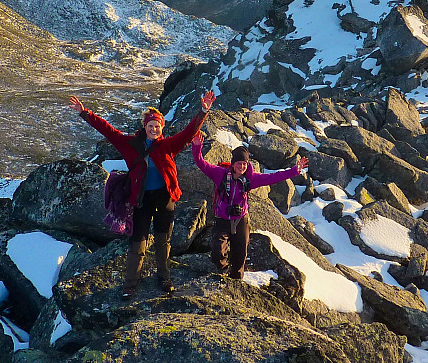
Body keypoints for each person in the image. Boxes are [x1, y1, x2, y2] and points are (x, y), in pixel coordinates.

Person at [68, 91, 216, 298]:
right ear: (144, 127)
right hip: (141, 200)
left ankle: (164, 278)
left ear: (162, 128)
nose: (154, 129)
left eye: (157, 126)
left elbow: (189, 132)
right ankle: (130, 283)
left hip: (165, 199)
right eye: (150, 125)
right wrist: (84, 113)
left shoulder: (168, 145)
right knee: (138, 242)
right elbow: (108, 131)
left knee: (163, 241)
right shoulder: (130, 145)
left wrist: (203, 111)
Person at [191, 131, 308, 280]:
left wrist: (294, 171)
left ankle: (236, 281)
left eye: (244, 164)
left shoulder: (250, 179)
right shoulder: (219, 174)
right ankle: (223, 266)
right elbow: (202, 163)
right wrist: (197, 147)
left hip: (241, 220)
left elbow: (273, 178)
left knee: (240, 254)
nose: (241, 167)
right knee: (217, 249)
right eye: (239, 163)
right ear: (233, 164)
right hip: (222, 219)